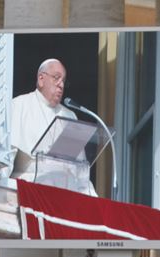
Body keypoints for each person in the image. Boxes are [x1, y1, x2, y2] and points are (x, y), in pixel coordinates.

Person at [9, 58, 95, 195]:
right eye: (56, 78)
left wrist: (92, 198)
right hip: (31, 188)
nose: (61, 85)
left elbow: (80, 172)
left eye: (63, 81)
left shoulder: (69, 116)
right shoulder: (19, 106)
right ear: (41, 79)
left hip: (66, 195)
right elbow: (7, 158)